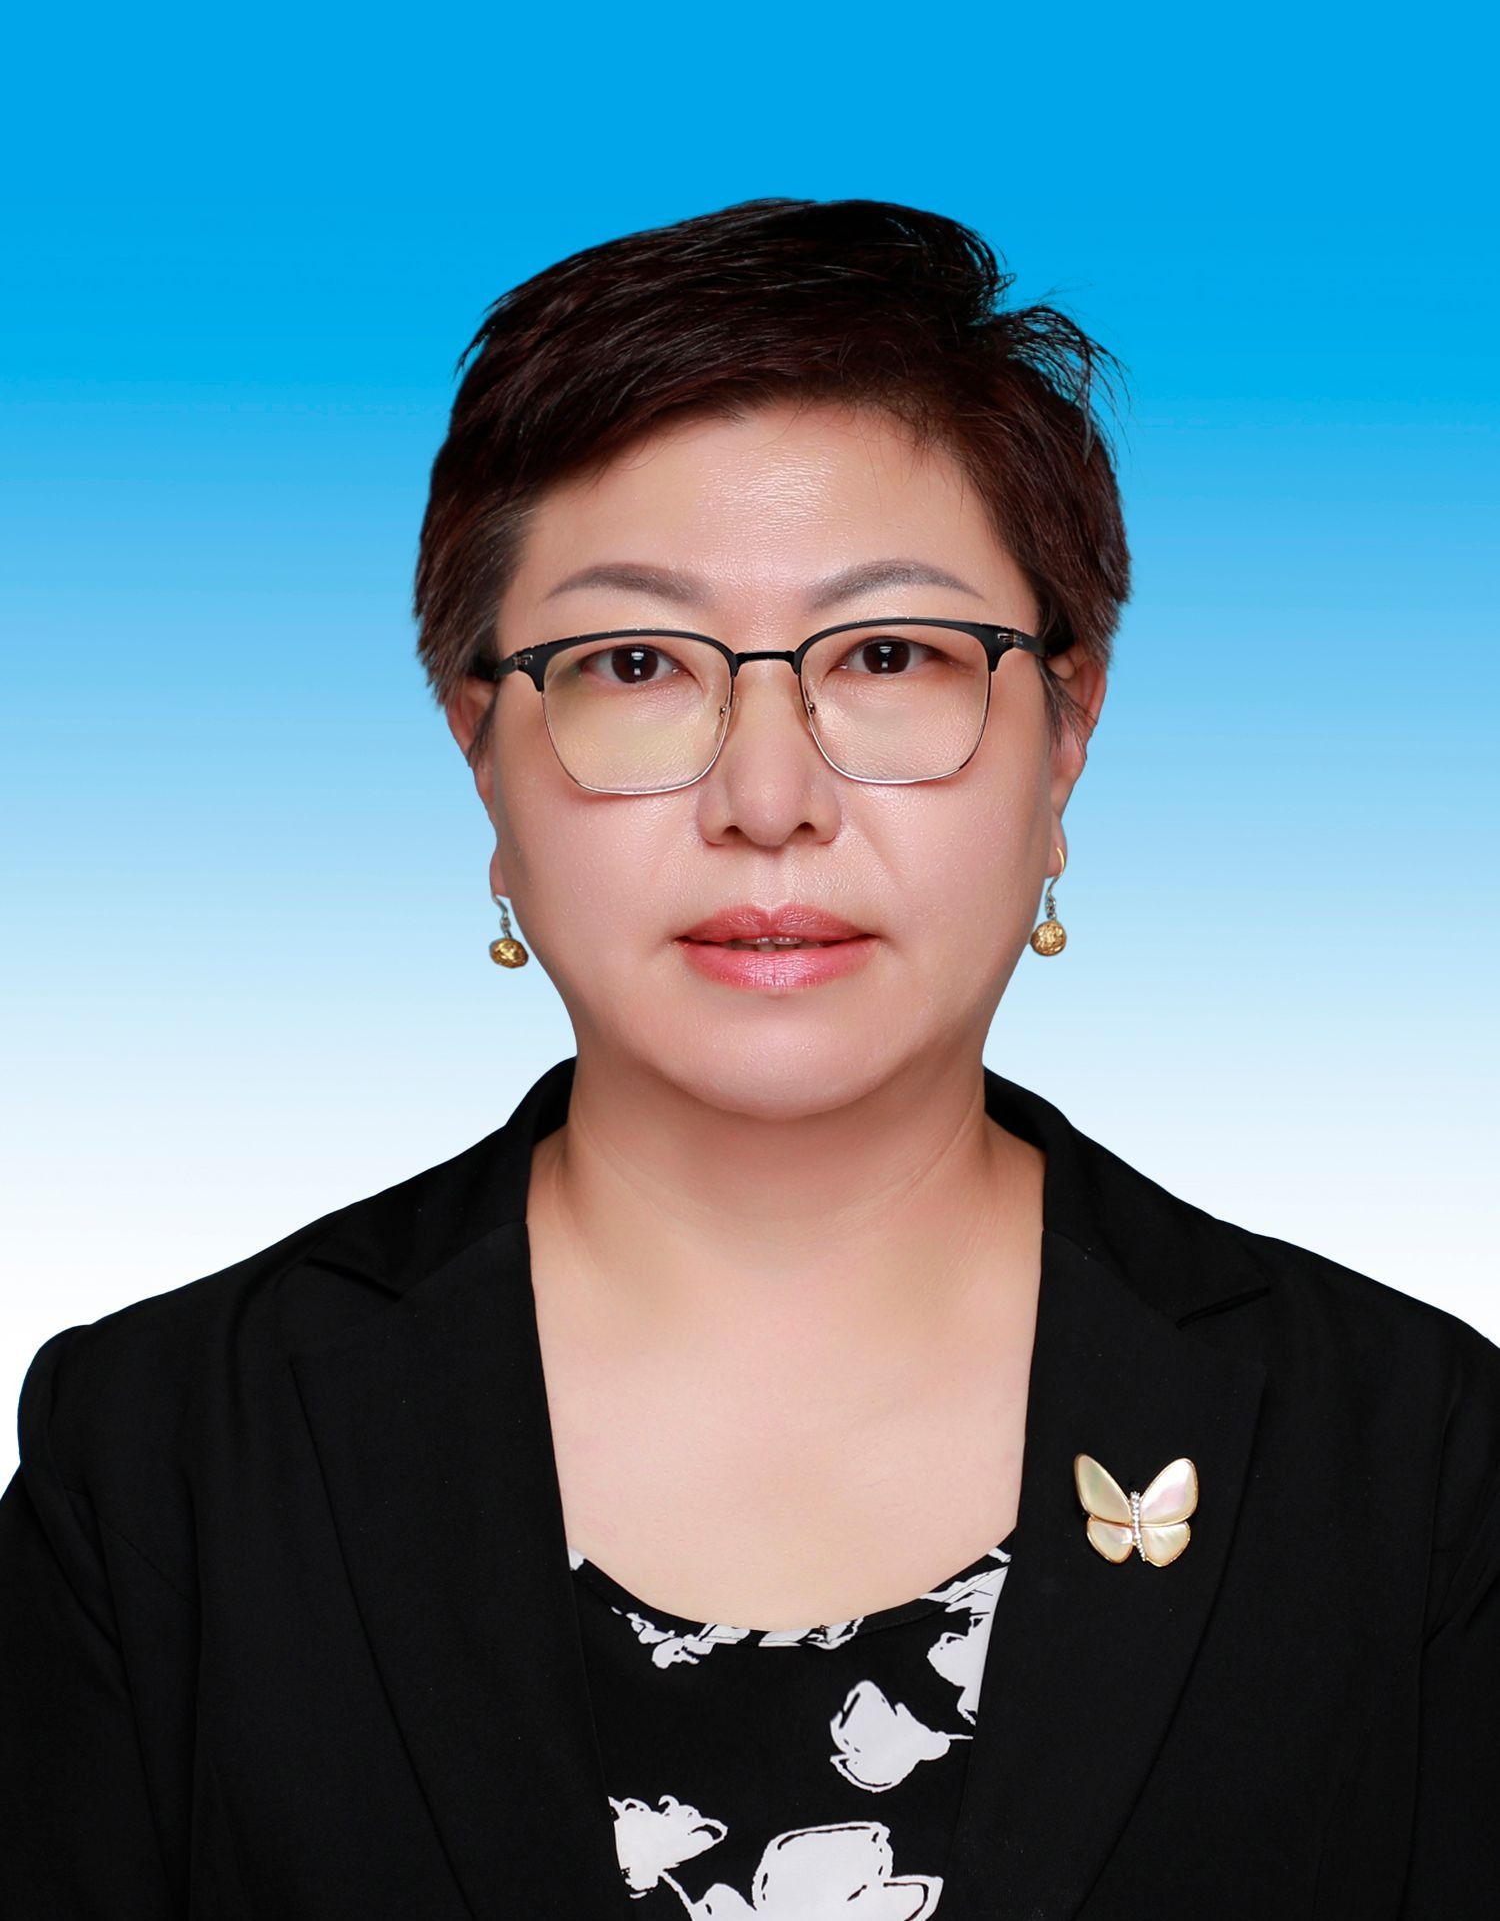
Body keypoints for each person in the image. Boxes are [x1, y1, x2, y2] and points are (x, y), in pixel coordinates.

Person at [1, 198, 1496, 1920]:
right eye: (636, 663)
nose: (767, 798)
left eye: (890, 655)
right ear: (481, 751)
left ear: (1067, 738)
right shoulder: (170, 1457)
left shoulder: (1405, 1458)